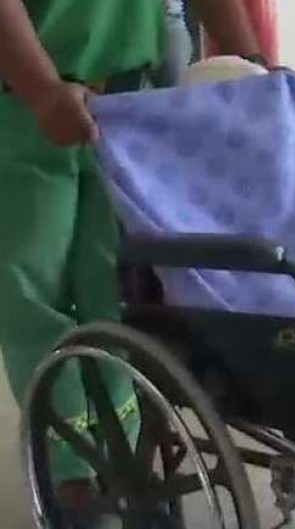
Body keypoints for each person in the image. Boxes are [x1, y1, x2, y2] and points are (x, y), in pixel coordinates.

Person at [0, 0, 261, 523]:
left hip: (129, 102)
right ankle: (72, 473)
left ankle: (130, 459)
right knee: (33, 293)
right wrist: (42, 92)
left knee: (119, 293)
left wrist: (252, 64)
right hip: (23, 100)